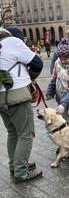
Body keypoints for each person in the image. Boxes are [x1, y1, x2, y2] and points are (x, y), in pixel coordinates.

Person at [0, 27, 43, 183]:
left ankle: (15, 165)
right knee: (26, 133)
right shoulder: (13, 41)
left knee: (13, 132)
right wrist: (28, 76)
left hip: (1, 98)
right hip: (17, 95)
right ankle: (21, 171)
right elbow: (37, 64)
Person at [46, 38, 69, 125]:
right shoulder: (57, 64)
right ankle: (65, 136)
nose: (63, 61)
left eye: (66, 59)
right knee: (62, 119)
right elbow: (54, 78)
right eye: (61, 59)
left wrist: (64, 104)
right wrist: (50, 91)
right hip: (61, 96)